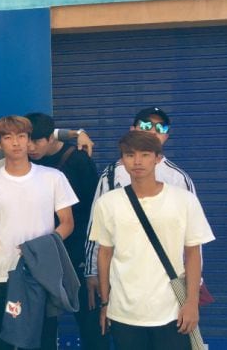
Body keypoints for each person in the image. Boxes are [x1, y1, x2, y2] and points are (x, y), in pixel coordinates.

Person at [89, 131, 214, 349]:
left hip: (172, 309)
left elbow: (193, 253)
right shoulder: (108, 203)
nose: (137, 161)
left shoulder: (183, 200)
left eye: (145, 155)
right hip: (123, 311)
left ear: (158, 158)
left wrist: (192, 302)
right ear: (122, 160)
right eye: (129, 155)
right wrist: (105, 303)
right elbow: (104, 253)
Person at [0, 116, 77, 350]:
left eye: (21, 136)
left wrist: (40, 247)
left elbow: (67, 223)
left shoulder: (53, 178)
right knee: (1, 342)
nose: (16, 143)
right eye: (8, 137)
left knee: (44, 341)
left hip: (41, 275)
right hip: (0, 275)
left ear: (29, 140)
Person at [84, 107, 197, 316]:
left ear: (166, 136)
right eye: (146, 125)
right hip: (124, 281)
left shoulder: (179, 179)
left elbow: (193, 240)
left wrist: (194, 285)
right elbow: (96, 227)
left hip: (168, 283)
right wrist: (93, 272)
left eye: (160, 127)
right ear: (132, 129)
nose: (152, 130)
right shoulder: (111, 175)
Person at [25, 113, 108, 350]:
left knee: (88, 317)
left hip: (76, 249)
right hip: (41, 251)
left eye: (36, 141)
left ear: (50, 138)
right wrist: (76, 131)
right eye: (27, 140)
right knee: (44, 323)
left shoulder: (78, 160)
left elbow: (95, 210)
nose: (30, 147)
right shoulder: (25, 159)